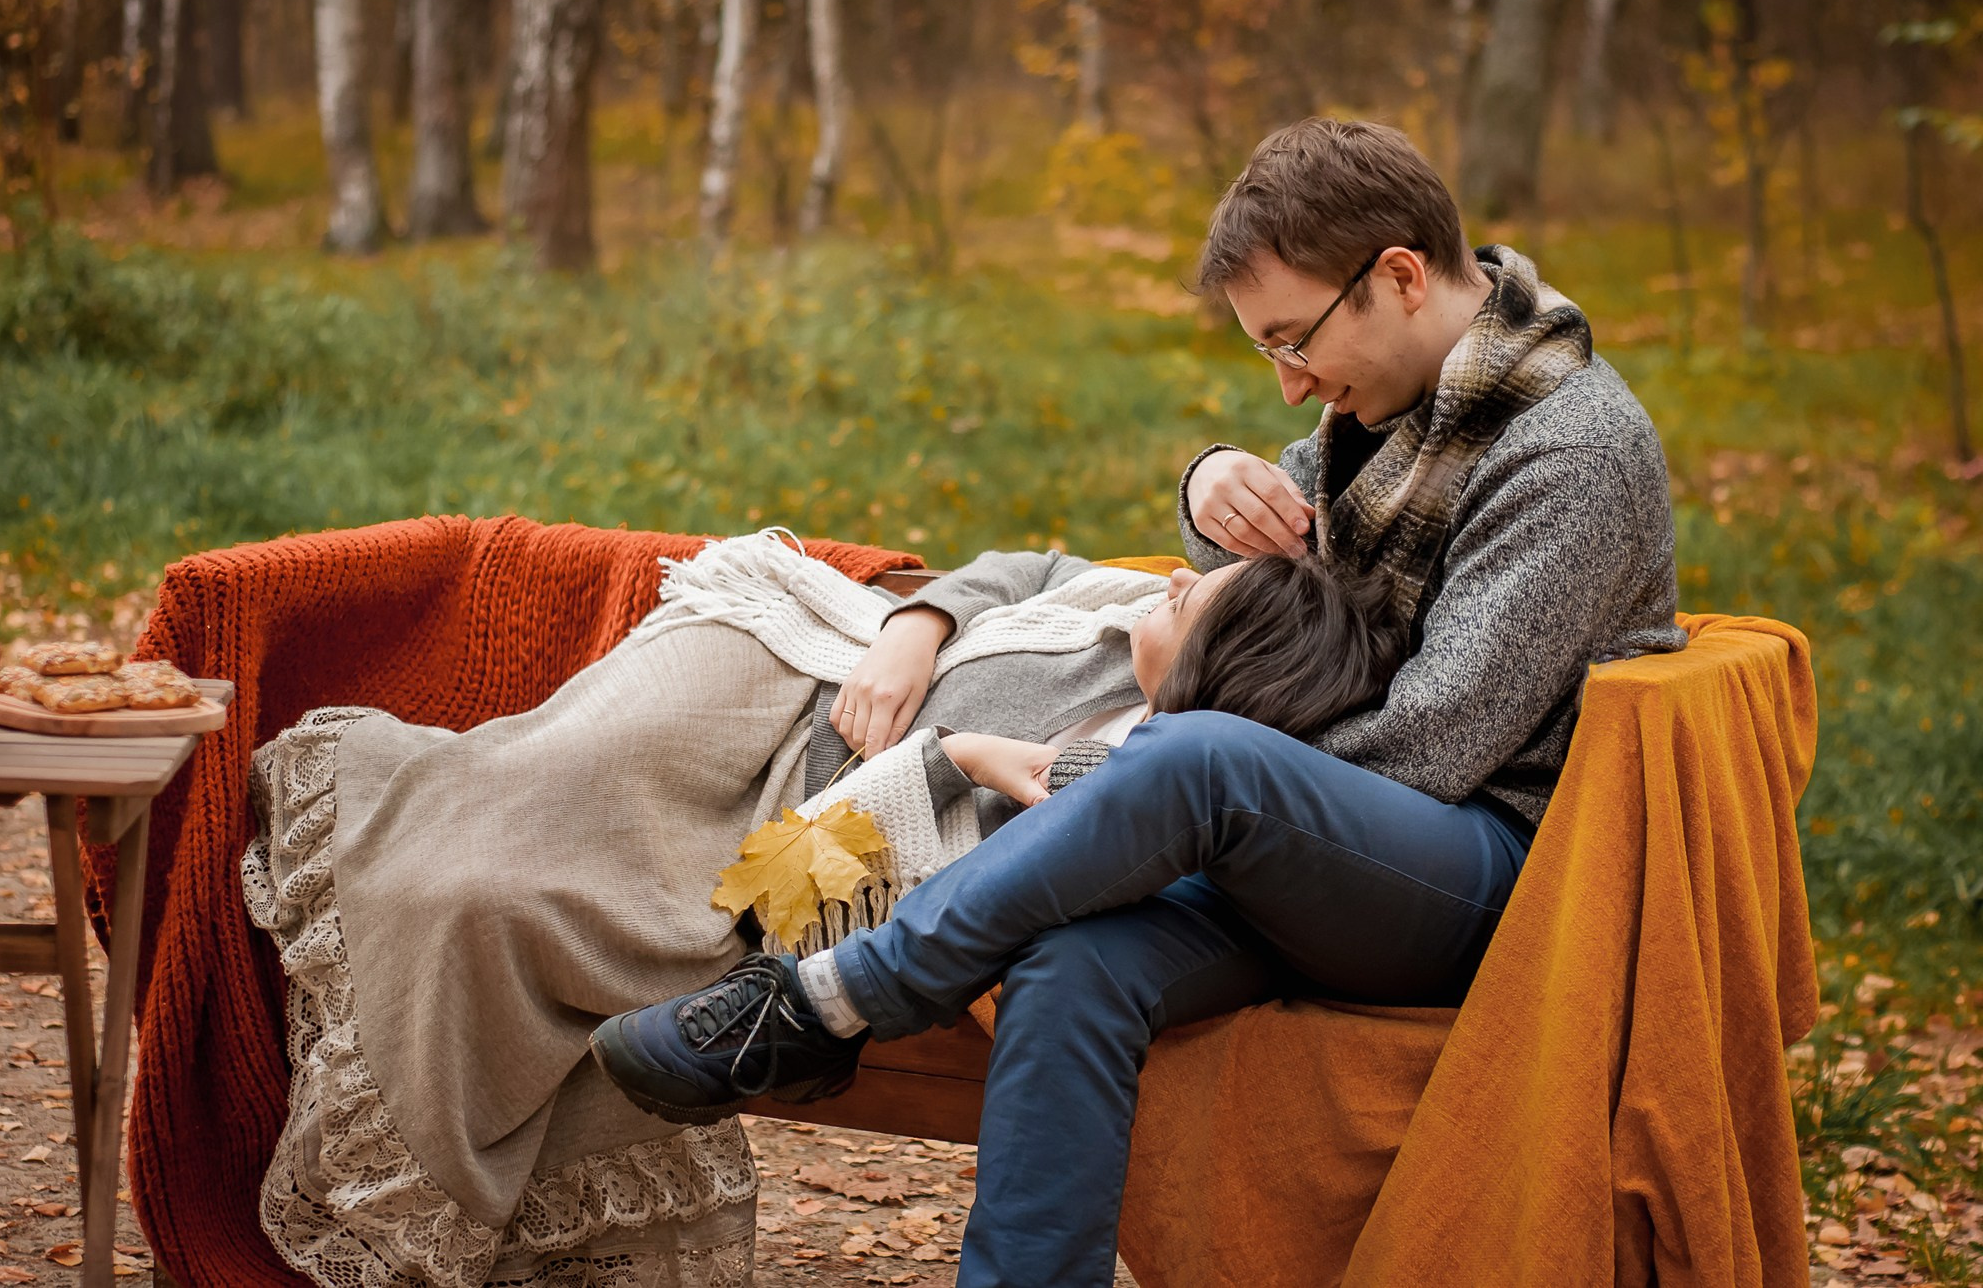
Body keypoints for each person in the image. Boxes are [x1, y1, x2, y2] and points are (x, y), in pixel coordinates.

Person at [591, 117, 1689, 1288]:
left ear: (1399, 277)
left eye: (1293, 341)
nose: (1289, 382)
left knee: (1202, 757)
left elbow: (1425, 748)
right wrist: (1208, 480)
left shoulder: (1565, 452)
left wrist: (1122, 789)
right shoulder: (1404, 402)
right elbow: (1271, 562)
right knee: (1078, 964)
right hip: (1332, 850)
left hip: (1483, 875)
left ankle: (829, 1000)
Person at [243, 531, 1398, 1288]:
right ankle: (396, 830)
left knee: (486, 896)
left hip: (793, 820)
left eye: (1197, 598)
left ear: (1218, 668)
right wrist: (914, 627)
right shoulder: (1116, 602)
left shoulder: (1123, 767)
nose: (1175, 578)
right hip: (791, 662)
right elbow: (1016, 568)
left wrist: (964, 753)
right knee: (503, 804)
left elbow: (1028, 840)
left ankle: (420, 1183)